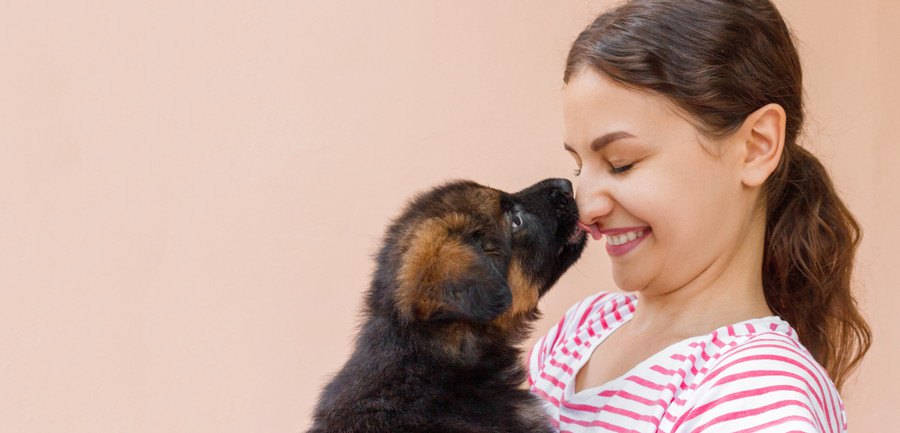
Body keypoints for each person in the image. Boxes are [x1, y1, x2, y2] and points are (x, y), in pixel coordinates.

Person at [527, 1, 872, 432]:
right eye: (580, 167)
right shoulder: (580, 331)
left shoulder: (760, 396)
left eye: (622, 163)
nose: (586, 208)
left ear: (756, 146)